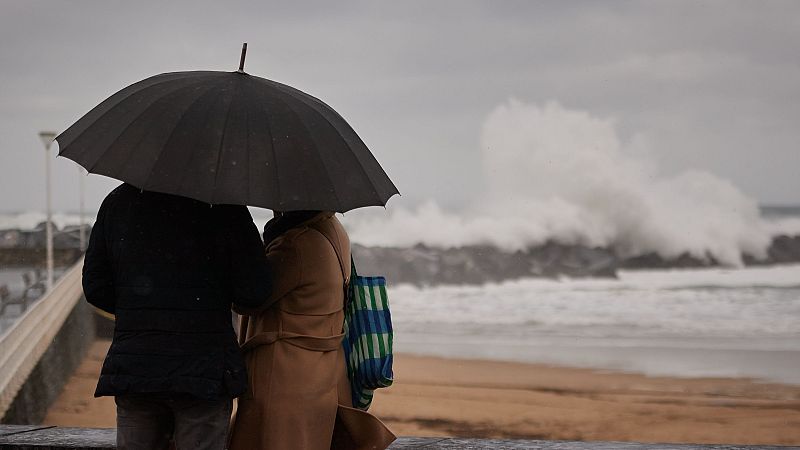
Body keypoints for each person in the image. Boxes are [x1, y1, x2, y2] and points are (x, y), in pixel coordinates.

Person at [82, 183, 272, 450]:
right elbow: (254, 292)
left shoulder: (118, 201)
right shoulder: (225, 207)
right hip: (203, 368)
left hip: (137, 365)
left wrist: (140, 310)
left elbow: (95, 287)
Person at [228, 210, 396, 450]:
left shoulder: (295, 244)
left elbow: (250, 298)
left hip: (285, 375)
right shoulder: (332, 228)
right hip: (324, 371)